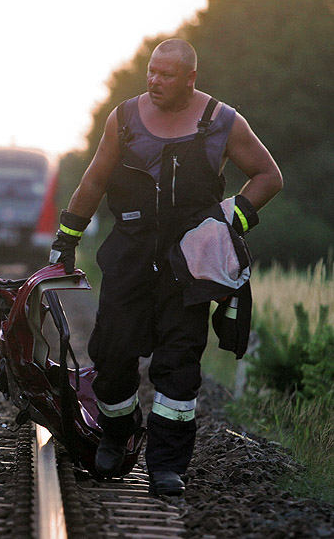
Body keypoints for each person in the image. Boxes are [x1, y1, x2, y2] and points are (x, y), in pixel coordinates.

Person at [49, 39, 282, 496]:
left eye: (166, 75)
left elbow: (269, 176)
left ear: (190, 78)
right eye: (151, 71)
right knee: (113, 356)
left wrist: (226, 221)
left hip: (189, 264)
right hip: (130, 255)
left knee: (179, 365)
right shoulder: (125, 118)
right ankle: (117, 434)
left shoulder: (222, 121)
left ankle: (166, 465)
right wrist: (66, 240)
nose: (154, 81)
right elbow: (94, 178)